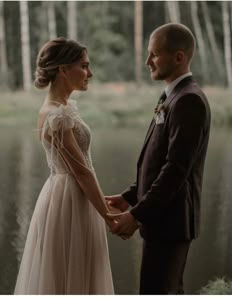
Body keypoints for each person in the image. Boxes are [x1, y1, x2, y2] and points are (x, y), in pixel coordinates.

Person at [106, 23, 211, 294]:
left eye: (154, 54)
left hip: (171, 223)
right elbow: (158, 161)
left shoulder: (190, 100)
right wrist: (131, 195)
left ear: (179, 57)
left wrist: (137, 215)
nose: (147, 61)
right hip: (162, 219)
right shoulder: (173, 95)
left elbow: (176, 170)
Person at [14, 37, 118, 294]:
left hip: (70, 195)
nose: (90, 73)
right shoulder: (56, 116)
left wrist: (102, 204)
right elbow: (82, 171)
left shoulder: (61, 109)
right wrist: (109, 217)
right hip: (69, 201)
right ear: (62, 69)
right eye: (84, 66)